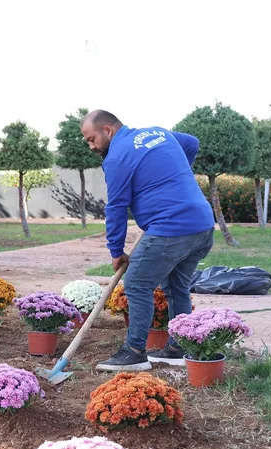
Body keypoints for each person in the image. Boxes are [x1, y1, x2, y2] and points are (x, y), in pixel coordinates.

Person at [80, 110, 215, 371]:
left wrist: (116, 250)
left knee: (137, 282)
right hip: (202, 226)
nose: (91, 146)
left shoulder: (117, 158)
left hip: (171, 228)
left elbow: (117, 207)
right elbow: (192, 143)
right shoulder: (158, 133)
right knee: (177, 287)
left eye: (91, 139)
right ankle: (179, 347)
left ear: (107, 130)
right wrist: (173, 174)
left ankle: (133, 352)